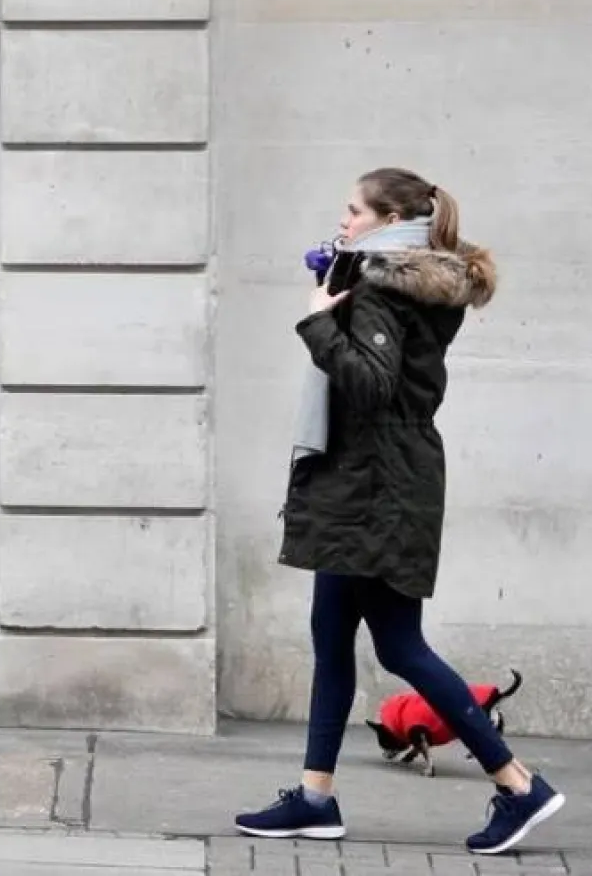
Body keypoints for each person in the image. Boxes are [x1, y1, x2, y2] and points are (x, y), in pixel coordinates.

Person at [232, 168, 565, 854]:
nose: (344, 219)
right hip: (379, 480)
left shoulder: (384, 286)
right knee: (335, 633)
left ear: (389, 219)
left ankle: (517, 782)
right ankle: (316, 798)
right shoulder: (405, 280)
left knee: (399, 645)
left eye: (354, 210)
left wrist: (320, 318)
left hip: (374, 486)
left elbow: (372, 386)